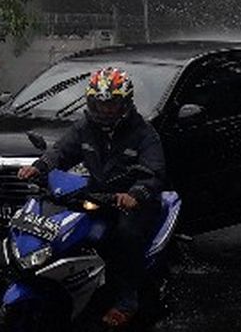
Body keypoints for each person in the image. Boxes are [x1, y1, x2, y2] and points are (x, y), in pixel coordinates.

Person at [16, 65, 167, 328]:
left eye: (112, 104)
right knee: (65, 223)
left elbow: (154, 172)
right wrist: (38, 167)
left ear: (125, 102)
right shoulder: (85, 126)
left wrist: (136, 194)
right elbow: (61, 151)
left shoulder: (144, 133)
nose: (105, 109)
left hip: (131, 202)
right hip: (97, 194)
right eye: (100, 103)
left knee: (125, 236)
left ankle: (126, 301)